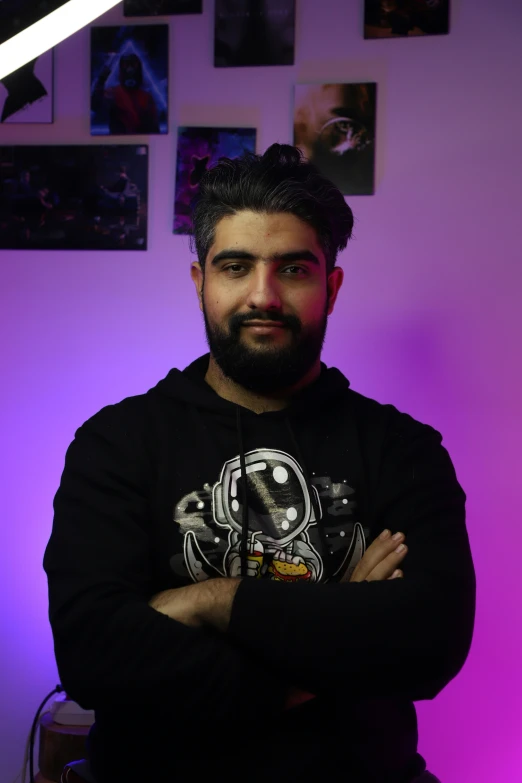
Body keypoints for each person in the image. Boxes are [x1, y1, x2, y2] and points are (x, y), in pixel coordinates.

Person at [44, 144, 475, 783]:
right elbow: (92, 655)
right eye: (236, 266)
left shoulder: (403, 449)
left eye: (294, 270)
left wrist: (214, 601)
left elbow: (427, 645)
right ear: (201, 283)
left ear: (330, 286)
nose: (263, 296)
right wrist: (337, 627)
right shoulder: (117, 442)